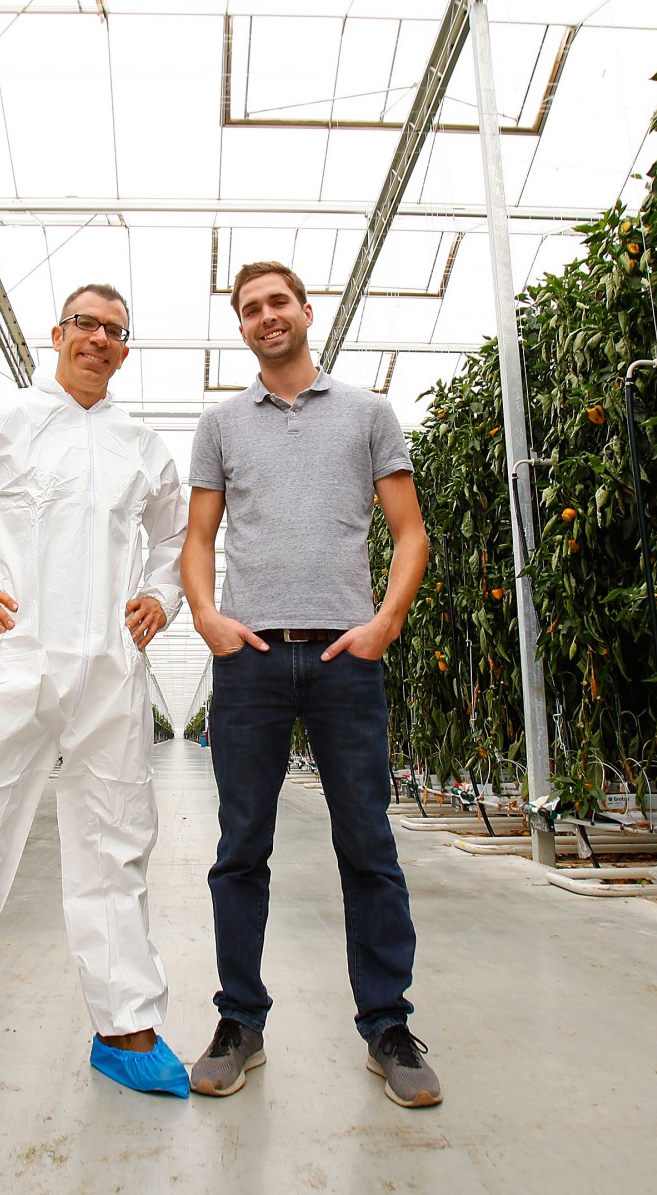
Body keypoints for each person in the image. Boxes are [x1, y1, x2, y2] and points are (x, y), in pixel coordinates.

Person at [0, 285, 191, 1131]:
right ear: (55, 335)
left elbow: (175, 539)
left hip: (111, 673)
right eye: (86, 324)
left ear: (125, 351)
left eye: (116, 331)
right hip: (12, 659)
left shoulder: (142, 446)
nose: (99, 339)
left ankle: (125, 1031)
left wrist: (161, 596)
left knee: (114, 846)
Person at [182, 261, 440, 1108]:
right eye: (250, 309)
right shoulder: (221, 424)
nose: (266, 317)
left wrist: (385, 622)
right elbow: (198, 537)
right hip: (250, 661)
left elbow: (409, 532)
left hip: (344, 658)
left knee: (367, 842)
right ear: (242, 325)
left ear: (305, 310)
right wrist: (208, 618)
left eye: (278, 303)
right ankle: (239, 1021)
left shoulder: (368, 414)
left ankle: (388, 1025)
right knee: (240, 848)